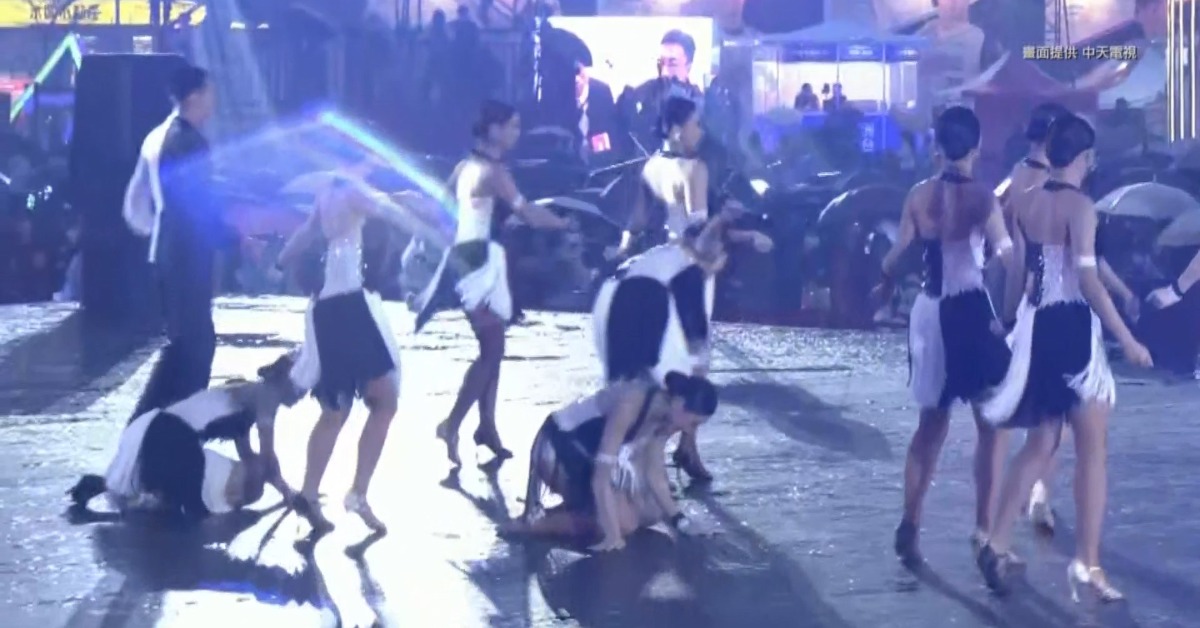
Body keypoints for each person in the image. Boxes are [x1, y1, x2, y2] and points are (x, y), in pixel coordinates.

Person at [975, 113, 1153, 599]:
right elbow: (1088, 281)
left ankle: (996, 540)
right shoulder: (1081, 206)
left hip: (1038, 326)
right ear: (1085, 157)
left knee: (1040, 443)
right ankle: (1088, 564)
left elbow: (1022, 271)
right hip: (1072, 325)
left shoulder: (1027, 200)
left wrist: (1008, 319)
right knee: (1092, 448)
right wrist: (1127, 339)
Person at [871, 106, 1018, 566]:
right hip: (969, 309)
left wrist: (885, 281)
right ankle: (983, 528)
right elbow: (1007, 255)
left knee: (930, 425)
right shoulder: (982, 197)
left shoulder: (918, 195)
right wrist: (1012, 309)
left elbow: (896, 254)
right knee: (990, 424)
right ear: (977, 147)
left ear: (937, 146)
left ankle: (909, 521)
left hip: (929, 310)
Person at [603, 96, 771, 482]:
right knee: (695, 365)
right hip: (690, 272)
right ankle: (661, 450)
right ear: (676, 129)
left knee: (667, 362)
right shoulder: (695, 169)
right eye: (695, 123)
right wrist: (743, 234)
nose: (700, 130)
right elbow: (698, 231)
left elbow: (637, 221)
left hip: (662, 266)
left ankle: (680, 448)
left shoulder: (651, 166)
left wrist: (623, 250)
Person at [416, 100, 573, 467]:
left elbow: (441, 210)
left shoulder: (464, 166)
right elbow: (528, 212)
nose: (517, 133)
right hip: (478, 262)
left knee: (493, 346)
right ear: (493, 129)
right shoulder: (493, 172)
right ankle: (452, 424)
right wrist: (562, 223)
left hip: (471, 256)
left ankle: (486, 425)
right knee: (491, 349)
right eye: (513, 126)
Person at [276, 157, 427, 532]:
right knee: (382, 402)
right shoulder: (352, 191)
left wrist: (280, 259)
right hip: (349, 307)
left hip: (328, 308)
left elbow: (307, 232)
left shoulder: (327, 192)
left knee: (337, 409)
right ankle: (356, 493)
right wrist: (416, 207)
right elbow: (388, 209)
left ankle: (311, 493)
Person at [68, 353, 303, 520]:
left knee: (163, 497)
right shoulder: (267, 396)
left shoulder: (248, 394)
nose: (302, 395)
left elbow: (251, 456)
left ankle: (98, 486)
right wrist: (288, 494)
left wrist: (285, 492)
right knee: (191, 511)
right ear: (287, 380)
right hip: (174, 435)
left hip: (159, 429)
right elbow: (267, 458)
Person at [504, 371, 719, 550]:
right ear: (679, 403)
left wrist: (682, 523)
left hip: (588, 455)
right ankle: (533, 525)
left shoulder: (666, 416)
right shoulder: (631, 403)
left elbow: (654, 474)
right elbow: (601, 478)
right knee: (624, 523)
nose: (690, 431)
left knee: (652, 511)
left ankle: (572, 510)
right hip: (559, 448)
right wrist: (612, 535)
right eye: (693, 423)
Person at [123, 65, 222, 423]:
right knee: (194, 349)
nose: (213, 100)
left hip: (170, 250)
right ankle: (166, 427)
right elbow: (199, 204)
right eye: (209, 92)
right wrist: (233, 235)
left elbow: (134, 203)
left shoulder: (157, 136)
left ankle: (155, 425)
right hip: (186, 254)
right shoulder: (187, 141)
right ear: (194, 96)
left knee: (187, 346)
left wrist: (156, 233)